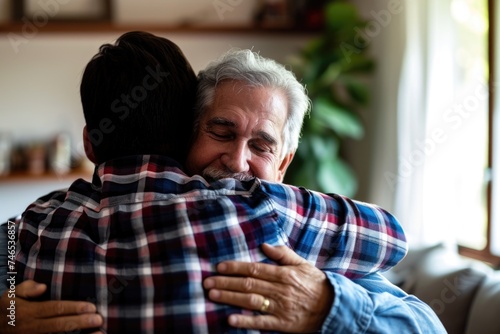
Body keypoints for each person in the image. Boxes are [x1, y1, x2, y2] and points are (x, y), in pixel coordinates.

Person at [0, 33, 444, 333]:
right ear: (185, 136)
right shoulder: (269, 212)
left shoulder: (40, 223)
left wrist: (327, 307)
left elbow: (426, 326)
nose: (236, 162)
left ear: (285, 164)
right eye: (222, 132)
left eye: (262, 146)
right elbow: (392, 236)